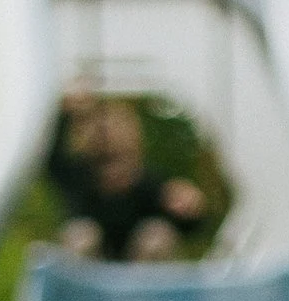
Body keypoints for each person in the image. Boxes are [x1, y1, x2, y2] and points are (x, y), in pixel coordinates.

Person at [47, 89, 212, 263]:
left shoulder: (151, 182)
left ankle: (144, 289)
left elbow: (186, 225)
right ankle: (79, 289)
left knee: (157, 236)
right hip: (94, 270)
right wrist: (65, 112)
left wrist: (192, 210)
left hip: (139, 273)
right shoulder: (76, 174)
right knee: (81, 235)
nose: (108, 138)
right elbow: (48, 152)